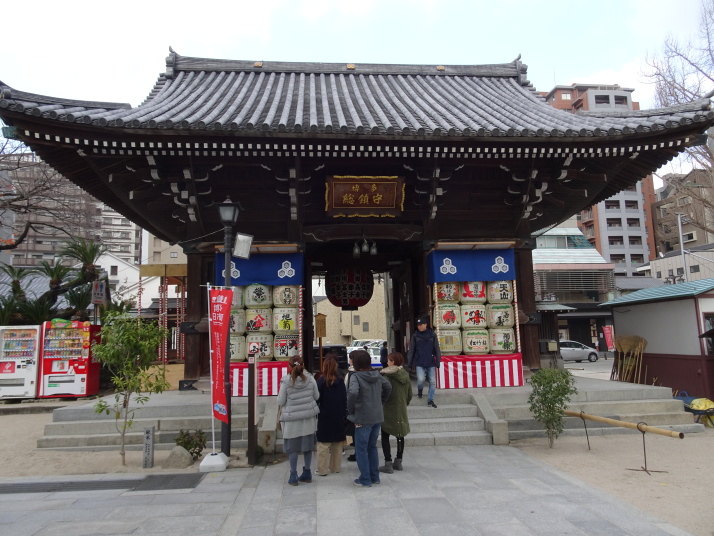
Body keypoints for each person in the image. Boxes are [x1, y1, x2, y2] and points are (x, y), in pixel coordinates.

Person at [346, 349, 391, 487]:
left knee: (361, 449)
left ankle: (365, 479)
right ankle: (374, 476)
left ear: (356, 362)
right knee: (372, 447)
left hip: (362, 417)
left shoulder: (356, 376)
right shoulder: (377, 374)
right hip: (377, 415)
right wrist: (381, 403)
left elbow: (352, 393)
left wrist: (351, 409)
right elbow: (388, 386)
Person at [277, 356, 319, 486]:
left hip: (291, 420)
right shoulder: (311, 379)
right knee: (307, 447)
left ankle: (293, 475)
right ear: (303, 364)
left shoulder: (286, 382)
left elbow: (280, 401)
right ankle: (307, 473)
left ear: (289, 366)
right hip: (308, 418)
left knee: (293, 449)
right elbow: (317, 396)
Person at [379, 351, 412, 473]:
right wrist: (403, 403)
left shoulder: (386, 375)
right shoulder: (405, 375)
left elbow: (382, 393)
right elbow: (409, 394)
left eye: (389, 360)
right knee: (400, 435)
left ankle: (388, 462)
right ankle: (398, 461)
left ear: (393, 362)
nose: (387, 362)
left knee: (385, 435)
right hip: (401, 408)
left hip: (387, 409)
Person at [315, 354, 347, 476]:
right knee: (337, 443)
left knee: (323, 444)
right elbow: (344, 398)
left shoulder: (321, 381)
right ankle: (335, 467)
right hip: (339, 414)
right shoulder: (340, 381)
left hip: (324, 415)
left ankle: (322, 469)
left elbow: (317, 399)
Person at [407, 315, 441, 408]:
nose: (419, 326)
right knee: (421, 380)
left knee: (432, 381)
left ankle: (430, 400)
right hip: (419, 362)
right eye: (418, 325)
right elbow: (411, 350)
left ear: (425, 324)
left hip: (430, 362)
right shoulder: (415, 336)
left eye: (421, 325)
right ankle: (420, 391)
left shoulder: (432, 335)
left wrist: (438, 361)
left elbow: (437, 349)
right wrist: (410, 362)